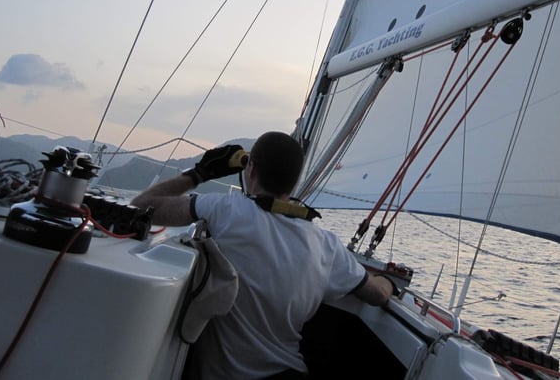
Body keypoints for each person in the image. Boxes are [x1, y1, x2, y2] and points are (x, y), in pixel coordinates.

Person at [131, 131, 394, 380]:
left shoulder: (227, 210)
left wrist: (200, 173)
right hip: (290, 372)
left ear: (251, 170)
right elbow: (378, 295)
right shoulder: (327, 245)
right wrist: (389, 282)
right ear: (295, 181)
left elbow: (142, 206)